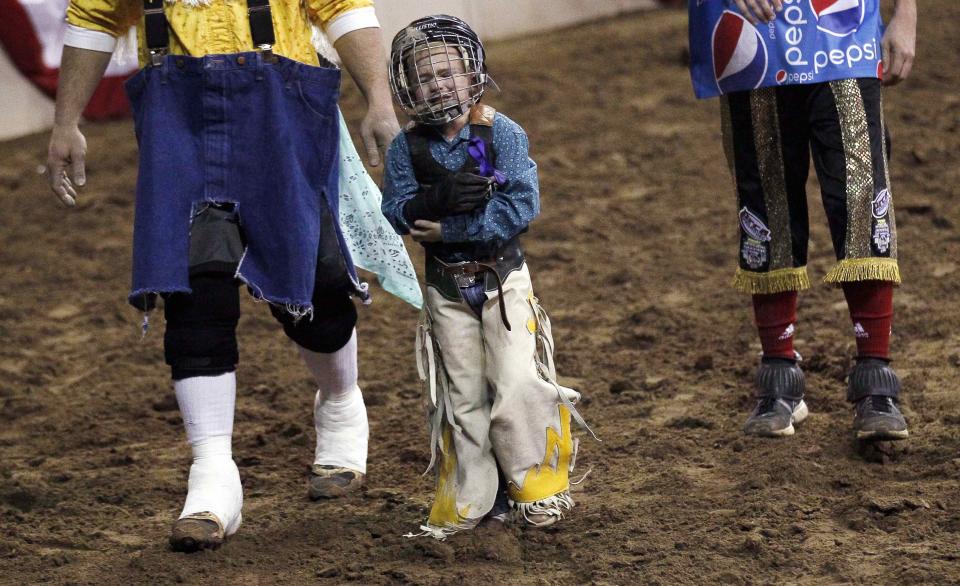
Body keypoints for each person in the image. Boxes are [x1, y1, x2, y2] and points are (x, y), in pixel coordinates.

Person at [45, 0, 401, 552]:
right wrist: (65, 121)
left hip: (282, 118)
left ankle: (339, 400)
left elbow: (343, 6)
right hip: (178, 127)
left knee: (313, 289)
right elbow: (93, 17)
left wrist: (379, 98)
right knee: (194, 289)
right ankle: (212, 473)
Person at [381, 15, 591, 538]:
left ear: (473, 73)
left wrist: (452, 225)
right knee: (462, 393)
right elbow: (396, 208)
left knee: (517, 379)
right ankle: (474, 498)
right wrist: (423, 206)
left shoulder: (502, 133)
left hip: (503, 279)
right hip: (447, 289)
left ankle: (539, 487)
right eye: (426, 77)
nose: (439, 85)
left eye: (449, 73)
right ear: (408, 86)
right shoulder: (406, 148)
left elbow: (523, 202)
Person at [688, 0, 917, 439]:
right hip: (753, 31)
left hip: (846, 34)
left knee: (861, 193)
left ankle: (875, 375)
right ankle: (779, 372)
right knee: (764, 199)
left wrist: (905, 13)